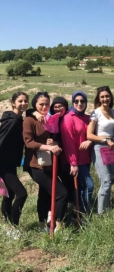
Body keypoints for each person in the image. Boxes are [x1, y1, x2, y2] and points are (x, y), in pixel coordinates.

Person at [23, 92, 67, 232]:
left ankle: (43, 225)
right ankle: (58, 225)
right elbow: (29, 142)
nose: (44, 107)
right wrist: (48, 146)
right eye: (41, 104)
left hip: (50, 164)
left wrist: (53, 142)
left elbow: (58, 139)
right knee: (62, 193)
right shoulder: (29, 120)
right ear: (35, 105)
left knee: (44, 194)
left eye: (47, 104)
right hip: (35, 165)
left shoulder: (52, 119)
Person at [0, 92, 29, 239]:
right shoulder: (14, 121)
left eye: (25, 101)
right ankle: (14, 227)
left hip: (10, 164)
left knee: (9, 195)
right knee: (22, 193)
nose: (23, 103)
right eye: (20, 101)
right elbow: (2, 140)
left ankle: (6, 223)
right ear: (13, 103)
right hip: (3, 165)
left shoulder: (17, 118)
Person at [60, 91, 94, 215]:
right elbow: (68, 142)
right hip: (75, 160)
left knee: (81, 188)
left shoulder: (87, 118)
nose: (79, 104)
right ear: (72, 102)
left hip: (85, 159)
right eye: (76, 101)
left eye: (82, 101)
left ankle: (76, 212)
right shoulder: (68, 118)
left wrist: (90, 140)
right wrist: (73, 162)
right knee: (89, 186)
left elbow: (92, 136)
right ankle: (84, 213)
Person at [87, 86, 114, 215]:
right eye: (102, 97)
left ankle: (107, 207)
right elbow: (89, 135)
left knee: (111, 179)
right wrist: (105, 140)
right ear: (99, 99)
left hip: (112, 148)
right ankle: (100, 213)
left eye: (107, 96)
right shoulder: (96, 113)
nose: (105, 99)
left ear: (110, 97)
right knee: (105, 180)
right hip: (100, 148)